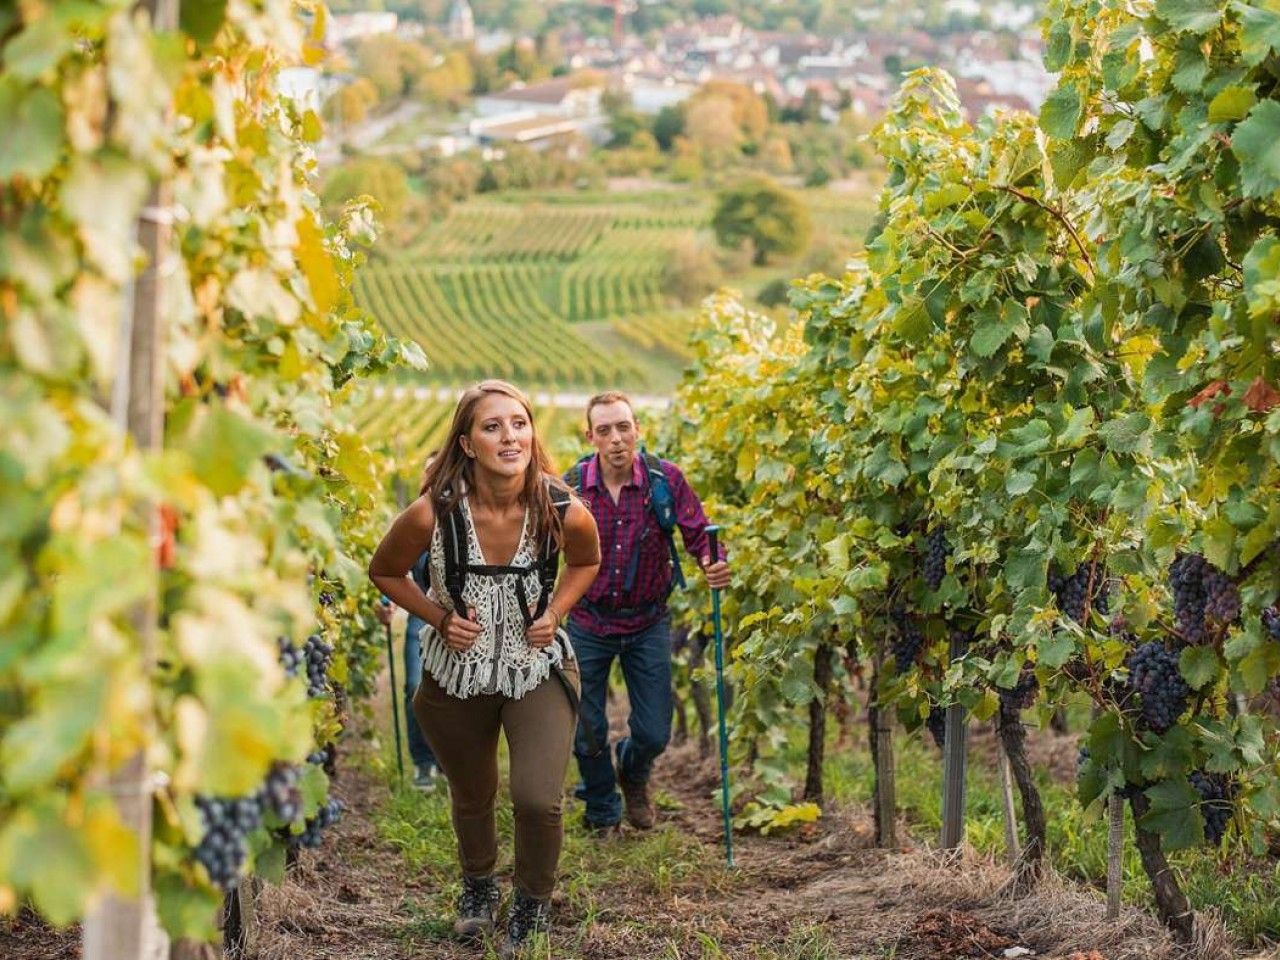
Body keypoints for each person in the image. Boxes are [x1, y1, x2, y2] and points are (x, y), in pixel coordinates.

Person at [369, 380, 601, 957]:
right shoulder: (432, 513)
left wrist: (555, 611)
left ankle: (531, 901)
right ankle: (477, 887)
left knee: (538, 798)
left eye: (518, 423)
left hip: (534, 668)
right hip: (456, 674)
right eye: (492, 426)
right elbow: (386, 571)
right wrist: (438, 618)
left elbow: (586, 561)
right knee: (472, 793)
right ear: (468, 444)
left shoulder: (563, 509)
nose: (509, 436)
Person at [566, 391, 730, 837]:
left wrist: (714, 562)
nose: (616, 438)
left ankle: (633, 774)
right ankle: (601, 810)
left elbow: (700, 534)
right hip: (588, 621)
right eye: (605, 430)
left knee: (656, 732)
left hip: (647, 622)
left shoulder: (665, 480)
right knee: (586, 727)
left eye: (623, 427)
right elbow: (547, 544)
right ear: (591, 436)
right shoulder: (574, 487)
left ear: (637, 429)